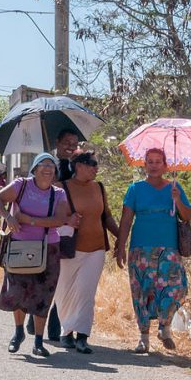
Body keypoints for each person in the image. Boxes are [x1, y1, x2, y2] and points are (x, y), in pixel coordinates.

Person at [0, 153, 74, 358]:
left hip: (49, 247)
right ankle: (18, 333)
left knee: (43, 295)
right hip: (20, 244)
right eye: (43, 165)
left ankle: (38, 341)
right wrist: (9, 217)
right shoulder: (21, 185)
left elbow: (59, 220)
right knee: (17, 291)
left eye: (51, 166)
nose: (47, 169)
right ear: (35, 169)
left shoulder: (59, 194)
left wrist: (27, 219)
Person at [114, 147, 191, 353]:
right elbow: (126, 220)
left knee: (176, 288)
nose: (154, 165)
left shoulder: (175, 188)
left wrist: (177, 199)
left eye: (159, 161)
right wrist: (120, 246)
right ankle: (143, 338)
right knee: (142, 292)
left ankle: (165, 327)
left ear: (165, 165)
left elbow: (187, 216)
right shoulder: (135, 189)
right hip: (140, 249)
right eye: (150, 161)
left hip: (169, 249)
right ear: (144, 164)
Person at [55, 151, 119, 353]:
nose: (95, 168)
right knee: (64, 292)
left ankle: (82, 336)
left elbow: (107, 216)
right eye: (91, 164)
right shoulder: (61, 188)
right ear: (78, 165)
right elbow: (51, 217)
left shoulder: (98, 187)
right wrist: (67, 220)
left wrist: (122, 238)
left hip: (96, 249)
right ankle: (66, 333)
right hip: (68, 249)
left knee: (86, 292)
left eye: (95, 164)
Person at [26, 128, 82, 339]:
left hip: (70, 230)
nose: (70, 146)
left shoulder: (77, 166)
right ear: (57, 142)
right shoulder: (47, 166)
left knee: (62, 279)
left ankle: (54, 330)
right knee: (44, 276)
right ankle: (34, 318)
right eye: (67, 141)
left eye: (74, 143)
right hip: (48, 229)